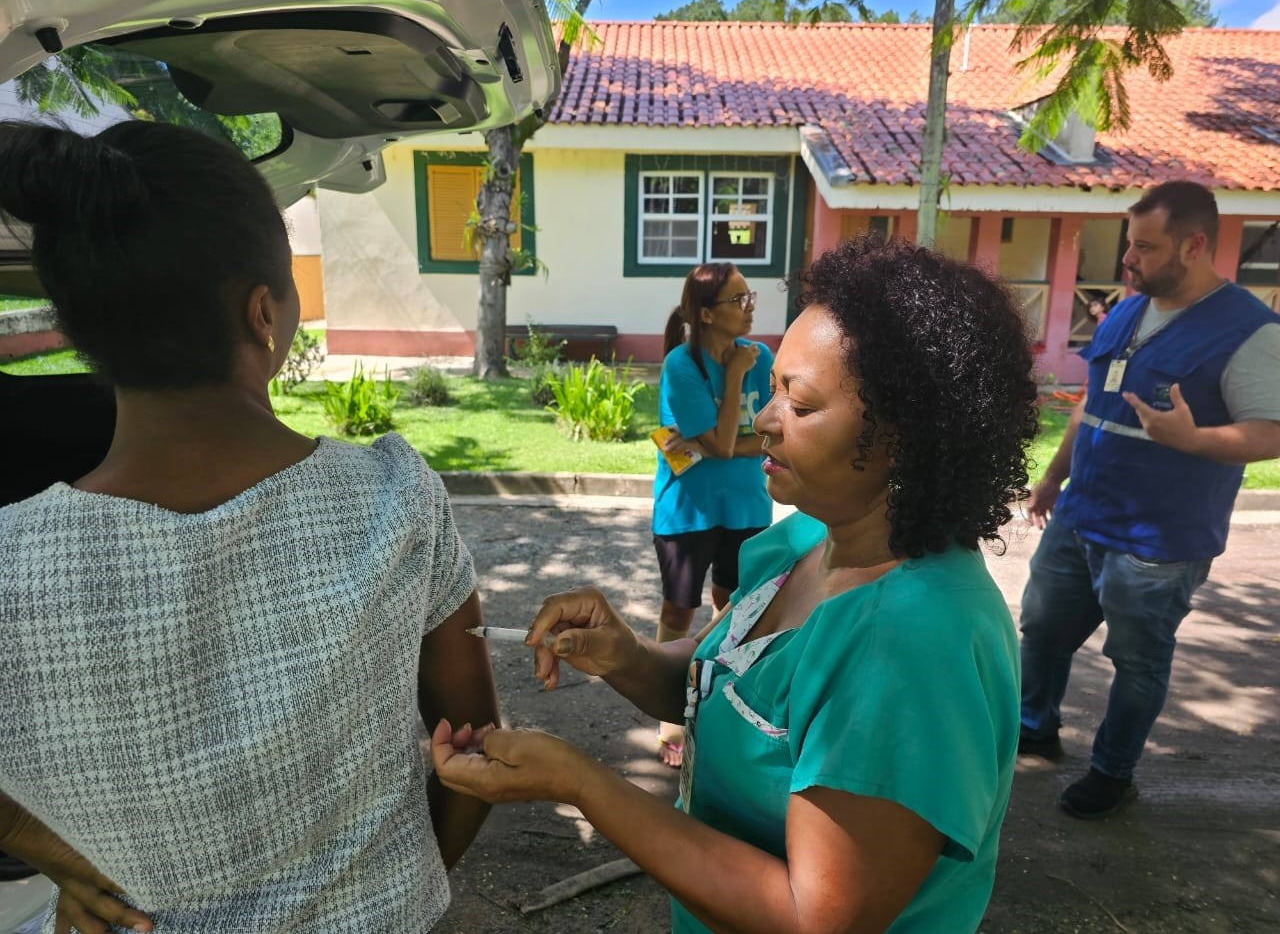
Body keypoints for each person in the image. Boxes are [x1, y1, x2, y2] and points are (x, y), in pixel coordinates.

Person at [431, 234, 1039, 934]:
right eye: (772, 388)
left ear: (902, 435)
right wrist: (625, 655)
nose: (764, 420)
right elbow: (729, 686)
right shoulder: (808, 540)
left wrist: (579, 782)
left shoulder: (906, 645)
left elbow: (812, 917)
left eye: (800, 405)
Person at [0, 120, 500, 932]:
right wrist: (397, 893)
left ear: (81, 328)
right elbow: (476, 751)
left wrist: (42, 846)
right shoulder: (393, 499)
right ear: (264, 312)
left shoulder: (12, 563)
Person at [1019, 180, 1280, 819]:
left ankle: (1112, 772)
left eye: (1144, 246)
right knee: (1043, 630)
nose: (1127, 259)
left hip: (1157, 544)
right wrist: (1053, 478)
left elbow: (1271, 431)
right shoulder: (1129, 311)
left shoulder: (1250, 331)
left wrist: (1194, 439)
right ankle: (1035, 728)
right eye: (1129, 243)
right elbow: (1092, 402)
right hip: (1081, 515)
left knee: (1136, 662)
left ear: (1194, 245)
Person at [650, 262, 773, 766]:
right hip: (688, 510)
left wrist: (718, 444)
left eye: (749, 296)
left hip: (747, 504)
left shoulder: (762, 357)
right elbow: (725, 444)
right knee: (679, 610)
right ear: (705, 313)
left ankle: (718, 697)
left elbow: (770, 434)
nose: (749, 307)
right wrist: (736, 376)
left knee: (735, 605)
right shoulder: (682, 365)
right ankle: (669, 714)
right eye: (737, 299)